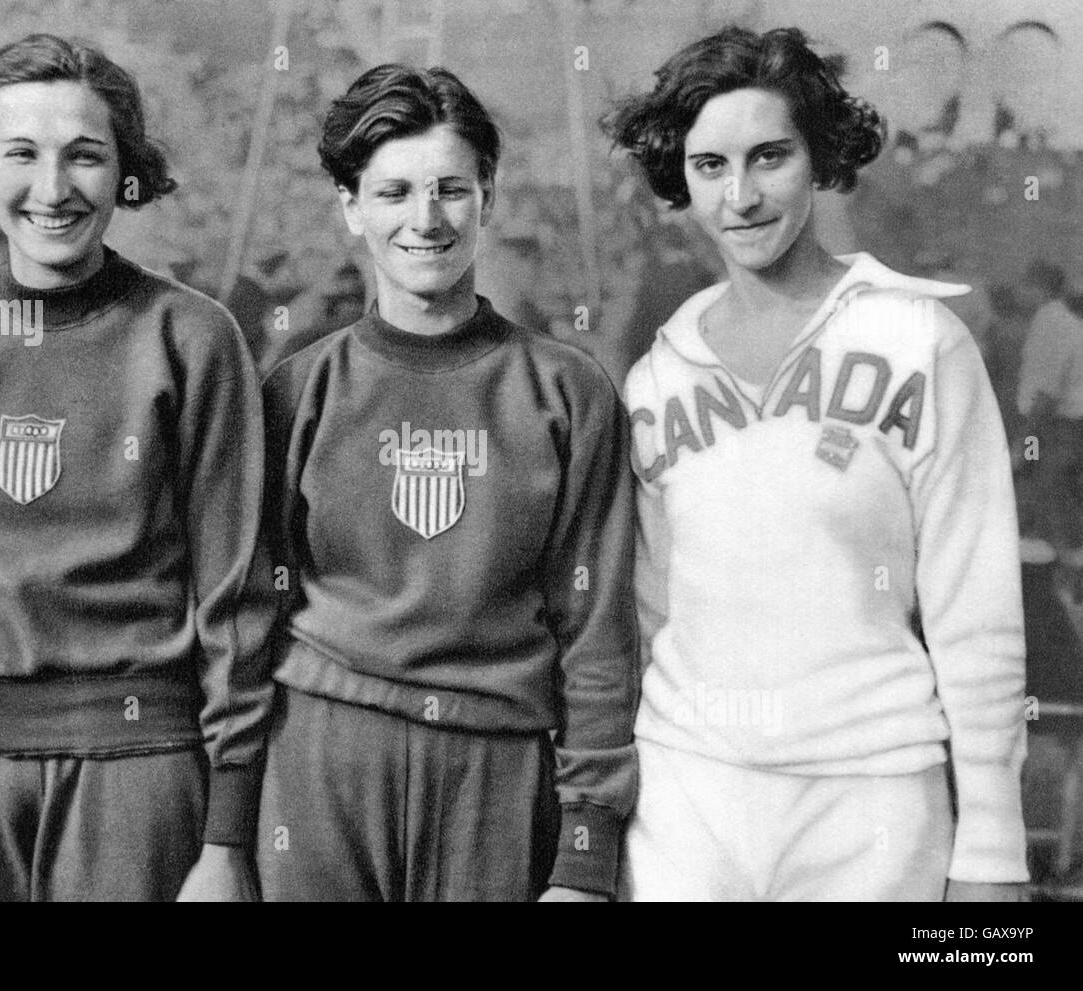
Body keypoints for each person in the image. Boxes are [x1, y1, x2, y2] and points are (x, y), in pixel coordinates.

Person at [187, 64, 639, 902]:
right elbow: (246, 613)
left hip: (494, 765)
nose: (424, 220)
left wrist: (585, 850)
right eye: (393, 191)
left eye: (450, 190)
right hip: (320, 757)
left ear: (487, 198)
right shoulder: (299, 387)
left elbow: (597, 630)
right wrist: (228, 829)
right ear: (353, 208)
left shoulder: (567, 392)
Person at [604, 26, 1027, 901]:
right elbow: (647, 617)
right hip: (689, 796)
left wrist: (993, 853)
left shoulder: (920, 341)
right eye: (711, 165)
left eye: (770, 157)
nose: (742, 195)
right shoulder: (653, 378)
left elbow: (977, 609)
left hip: (872, 795)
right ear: (679, 178)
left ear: (819, 156)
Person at [0, 33, 264, 901]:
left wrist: (227, 835)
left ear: (126, 170)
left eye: (86, 157)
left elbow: (237, 601)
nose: (53, 189)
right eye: (22, 154)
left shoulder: (192, 337)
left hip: (137, 764)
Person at [1016, 260, 1083, 592]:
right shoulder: (1061, 321)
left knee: (1051, 500)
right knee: (1061, 502)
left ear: (1037, 288)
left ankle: (1068, 585)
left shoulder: (1050, 322)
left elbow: (1045, 394)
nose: (1018, 293)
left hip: (1053, 429)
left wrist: (1025, 445)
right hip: (1061, 428)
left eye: (1023, 285)